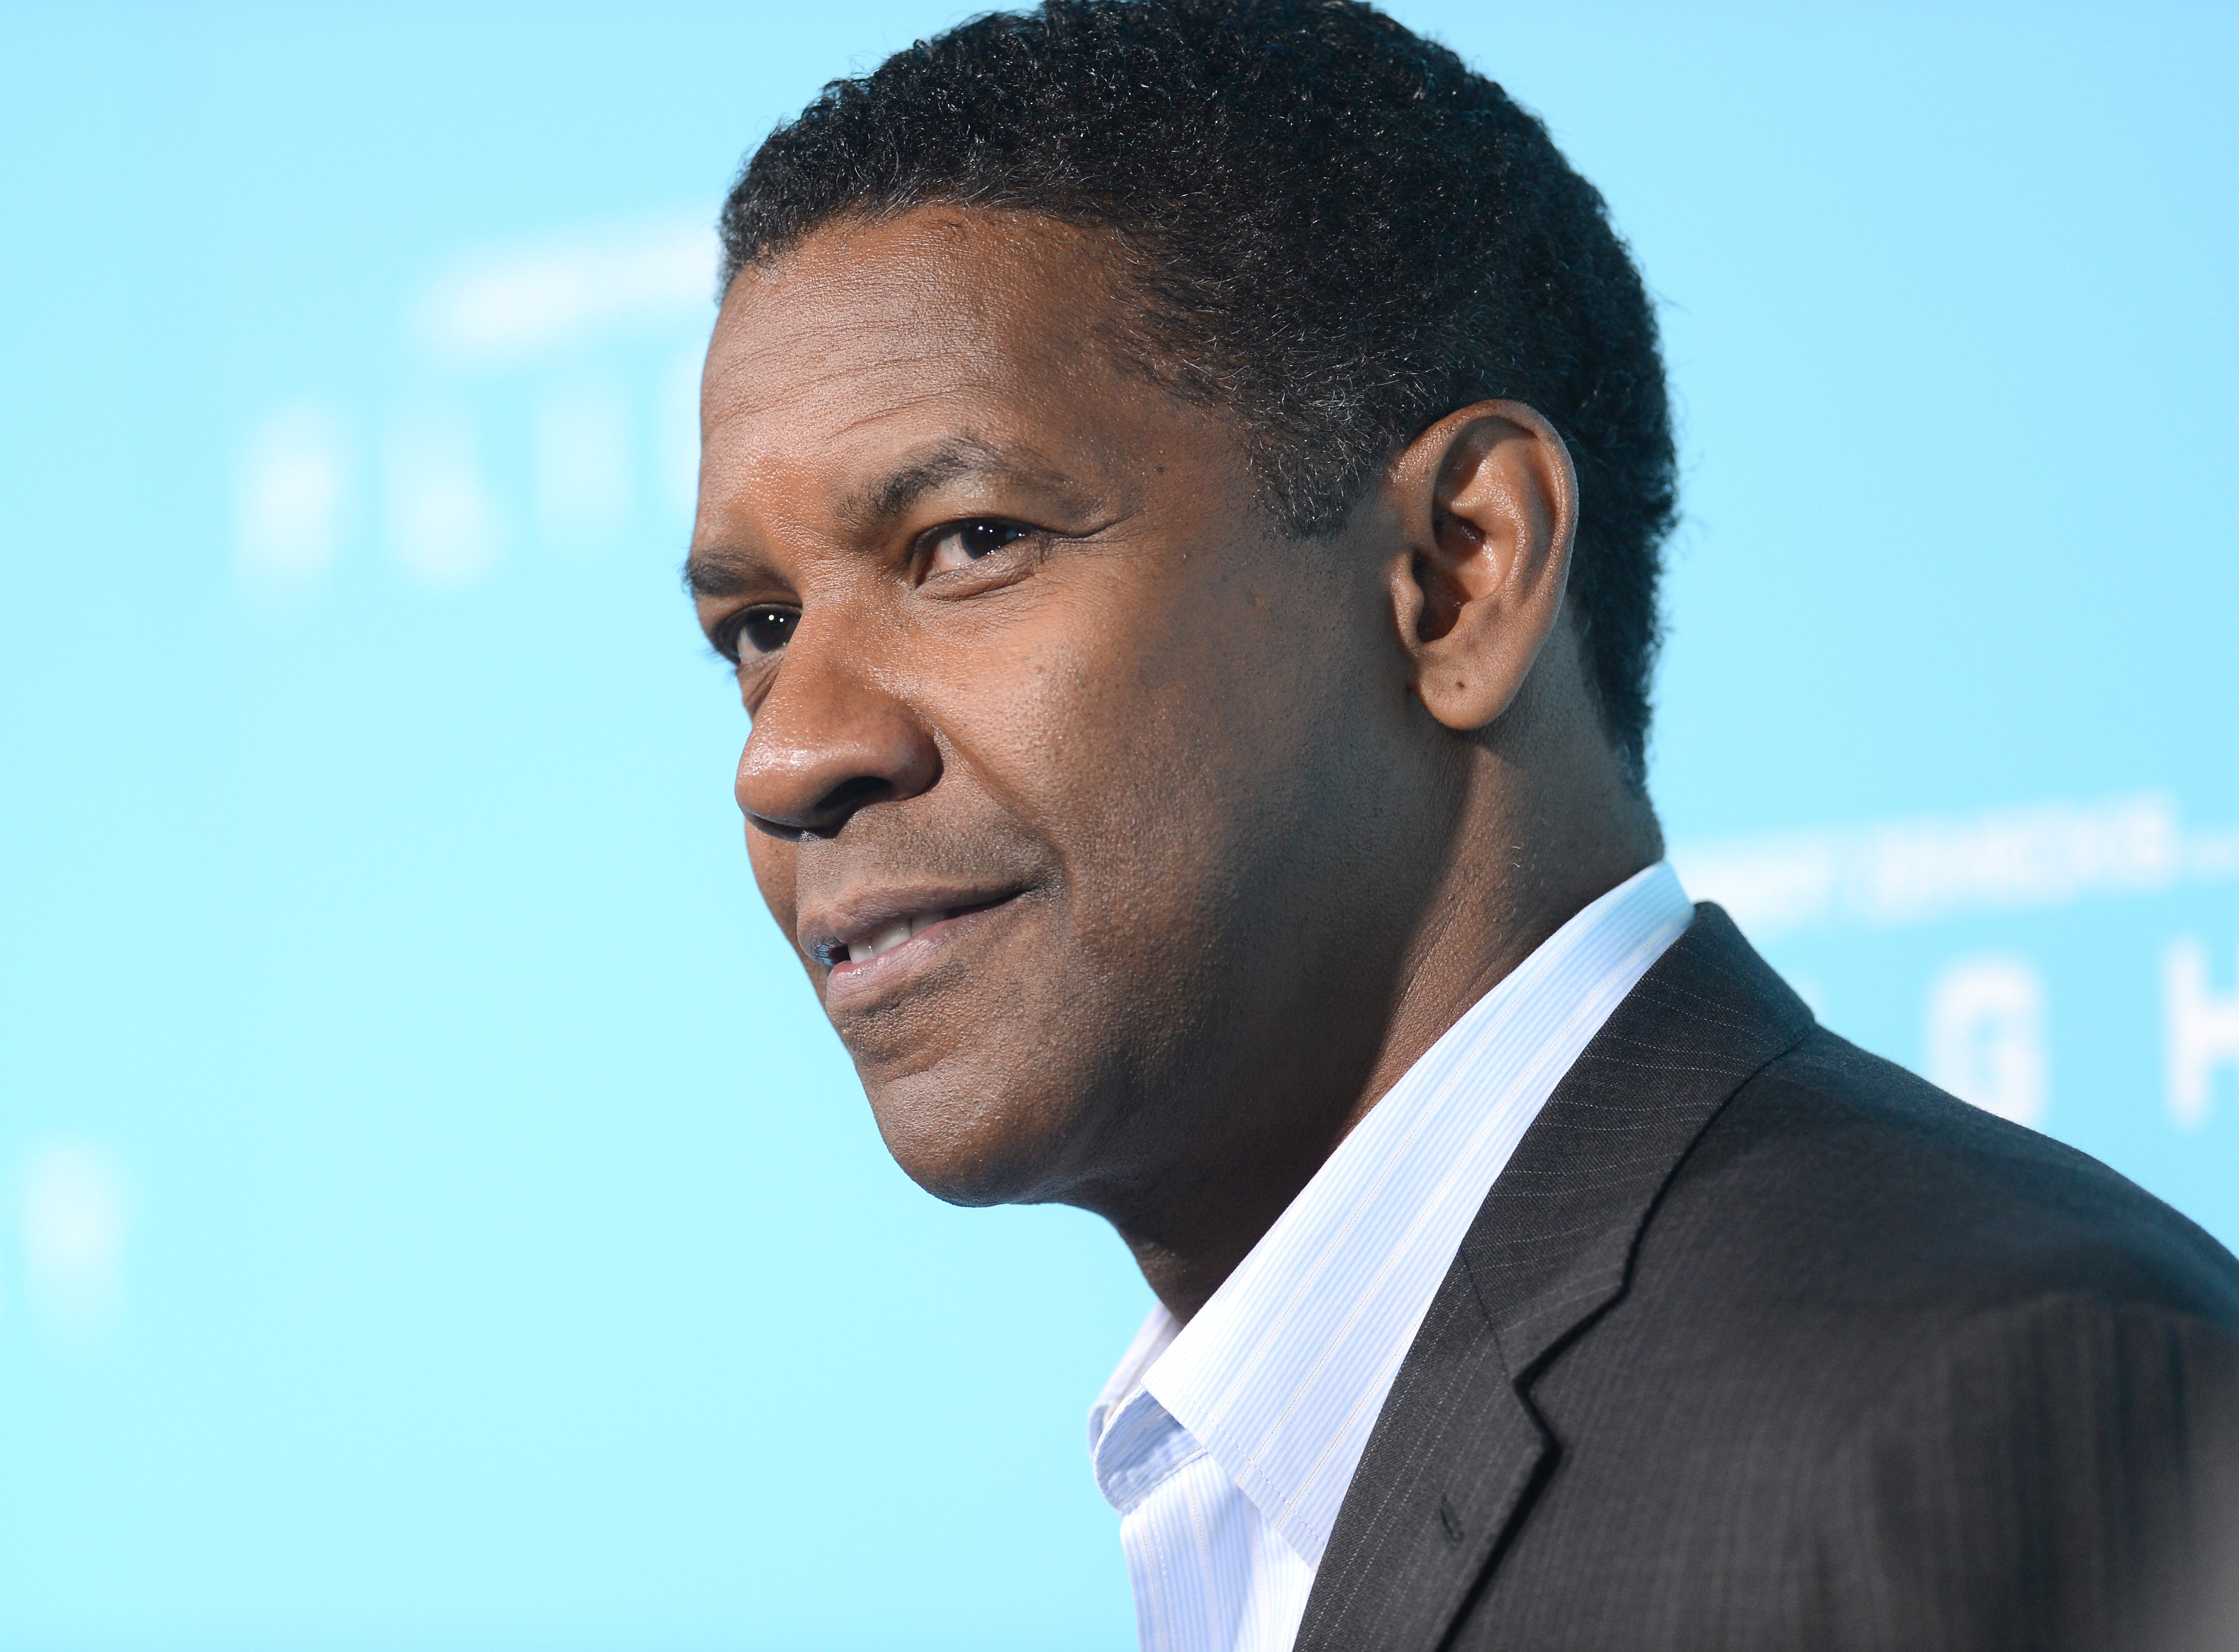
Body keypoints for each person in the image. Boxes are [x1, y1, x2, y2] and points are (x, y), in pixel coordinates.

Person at [680, 3, 2239, 1646]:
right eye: (757, 630)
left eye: (967, 541)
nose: (789, 759)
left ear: (1459, 570)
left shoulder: (1996, 1407)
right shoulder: (1254, 1476)